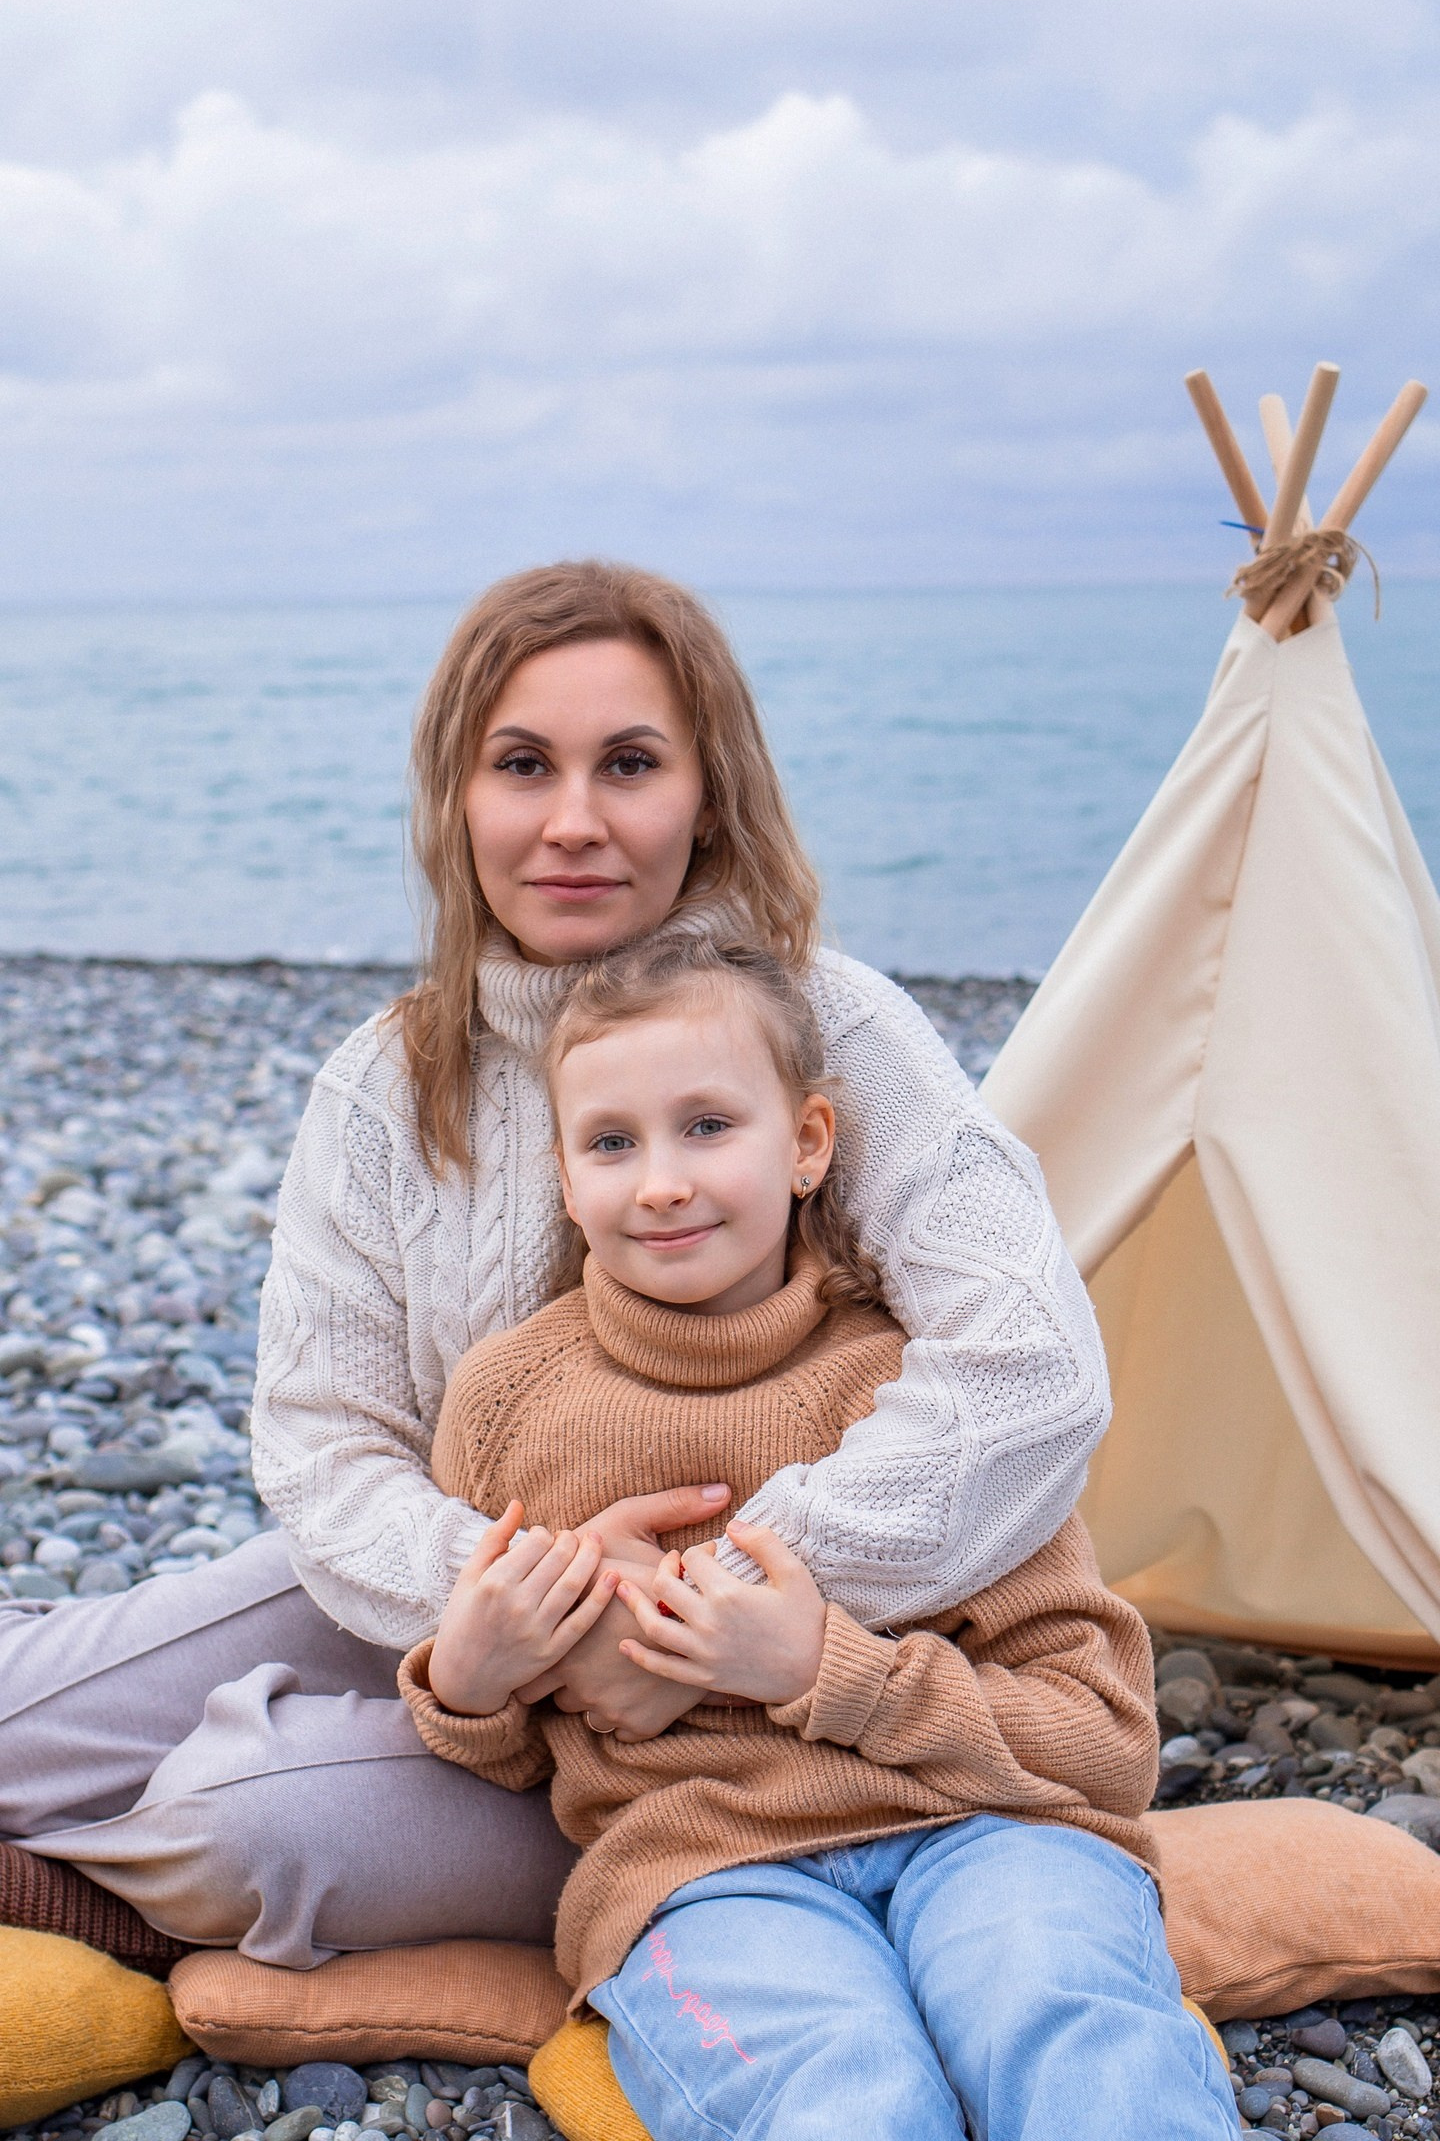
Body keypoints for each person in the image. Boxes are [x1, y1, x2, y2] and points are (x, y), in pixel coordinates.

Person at [0, 562, 1110, 1968]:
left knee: (242, 1827)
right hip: (464, 1598)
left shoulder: (834, 1027)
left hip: (759, 1697)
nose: (573, 822)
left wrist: (688, 1619)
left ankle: (106, 1886)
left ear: (709, 790)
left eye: (630, 765)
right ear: (457, 798)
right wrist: (528, 1614)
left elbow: (1034, 1375)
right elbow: (327, 1452)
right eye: (522, 765)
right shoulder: (386, 1083)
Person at [401, 933, 1238, 2141]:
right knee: (843, 2088)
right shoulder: (506, 1408)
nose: (661, 1183)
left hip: (990, 1828)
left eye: (707, 1127)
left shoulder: (926, 1398)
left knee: (1065, 2022)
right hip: (707, 1873)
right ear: (564, 1174)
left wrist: (824, 1673)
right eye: (612, 1143)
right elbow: (525, 1756)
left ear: (807, 1145)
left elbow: (1103, 1746)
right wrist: (470, 1682)